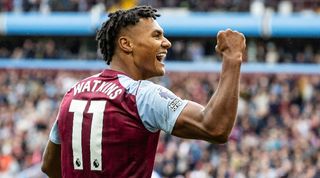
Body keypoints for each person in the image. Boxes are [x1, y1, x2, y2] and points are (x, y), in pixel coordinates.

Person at [41, 5, 246, 178]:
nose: (167, 43)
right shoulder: (141, 94)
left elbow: (50, 166)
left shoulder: (74, 92)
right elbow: (215, 127)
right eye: (156, 36)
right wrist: (232, 58)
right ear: (126, 44)